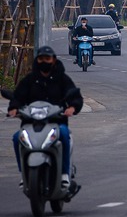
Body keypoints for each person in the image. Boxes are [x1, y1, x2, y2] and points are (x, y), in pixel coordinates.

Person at [7, 45, 83, 192]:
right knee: (17, 138)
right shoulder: (30, 79)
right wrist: (14, 108)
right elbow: (18, 97)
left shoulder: (62, 79)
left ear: (53, 60)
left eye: (47, 59)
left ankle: (64, 175)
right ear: (37, 60)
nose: (44, 62)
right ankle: (24, 173)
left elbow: (74, 96)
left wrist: (72, 107)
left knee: (65, 135)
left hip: (56, 122)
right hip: (31, 124)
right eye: (41, 59)